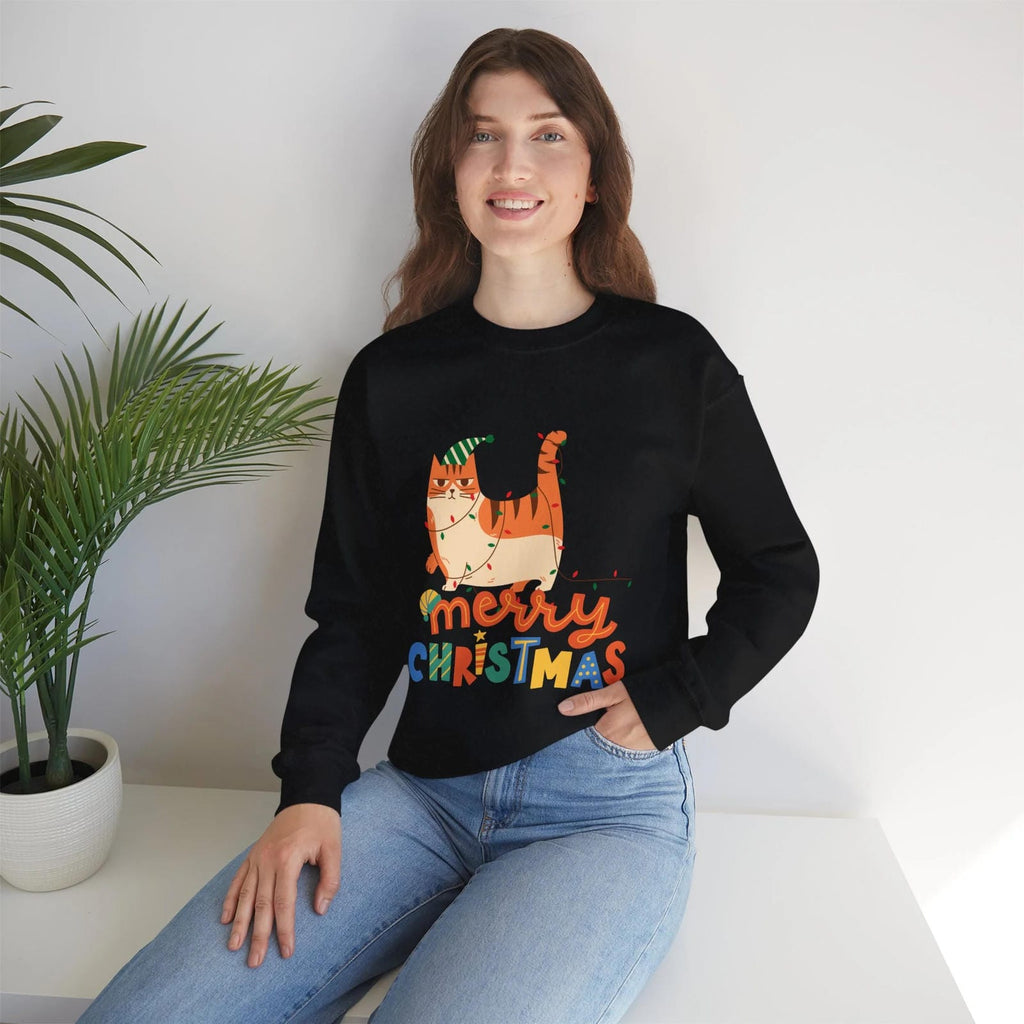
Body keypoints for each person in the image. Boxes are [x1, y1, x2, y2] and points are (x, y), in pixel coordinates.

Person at [78, 26, 819, 1024]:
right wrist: (309, 789)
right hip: (419, 795)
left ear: (592, 172)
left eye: (547, 135)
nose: (513, 164)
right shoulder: (395, 377)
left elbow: (779, 567)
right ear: (451, 172)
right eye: (483, 136)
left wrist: (681, 691)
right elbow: (356, 612)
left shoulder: (669, 364)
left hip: (599, 809)